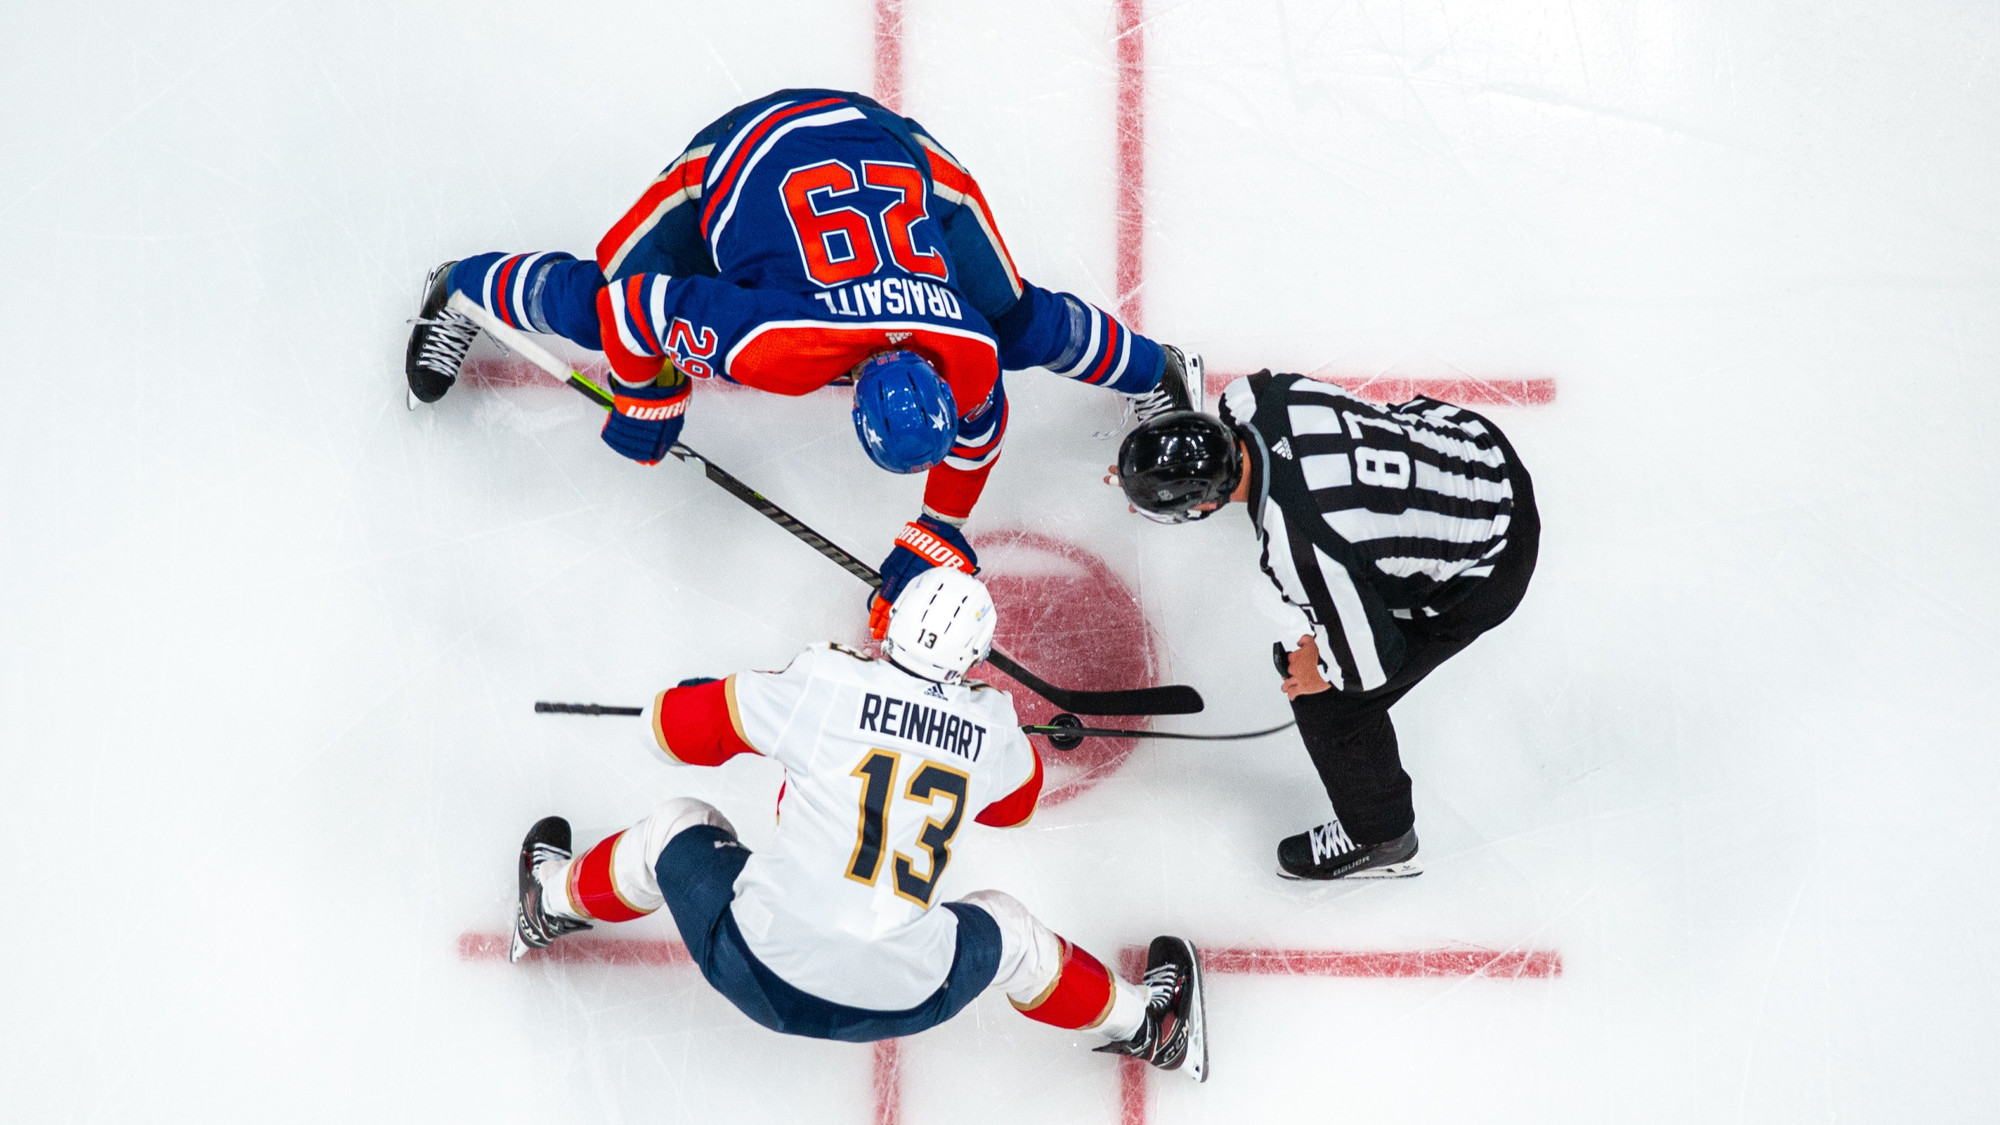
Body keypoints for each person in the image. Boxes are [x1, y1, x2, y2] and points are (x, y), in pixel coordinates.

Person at [405, 88, 1199, 635]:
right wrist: (645, 395)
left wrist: (936, 531)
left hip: (893, 148)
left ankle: (1153, 368)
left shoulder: (966, 351)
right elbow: (630, 307)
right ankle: (461, 289)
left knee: (1014, 318)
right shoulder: (775, 346)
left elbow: (982, 425)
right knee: (597, 293)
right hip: (745, 151)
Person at [507, 568, 1207, 1080]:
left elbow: (668, 731)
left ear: (891, 621)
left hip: (758, 971)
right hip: (907, 996)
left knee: (676, 823)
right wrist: (987, 730)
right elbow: (1014, 805)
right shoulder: (993, 725)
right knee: (1013, 931)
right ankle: (1150, 1023)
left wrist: (746, 695)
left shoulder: (824, 680)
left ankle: (548, 903)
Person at [1114, 373, 1539, 880]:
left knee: (1331, 707)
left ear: (1202, 505)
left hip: (1493, 565)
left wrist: (1320, 668)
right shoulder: (1263, 399)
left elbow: (1372, 667)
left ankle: (1381, 837)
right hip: (1480, 453)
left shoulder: (1301, 551)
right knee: (1359, 533)